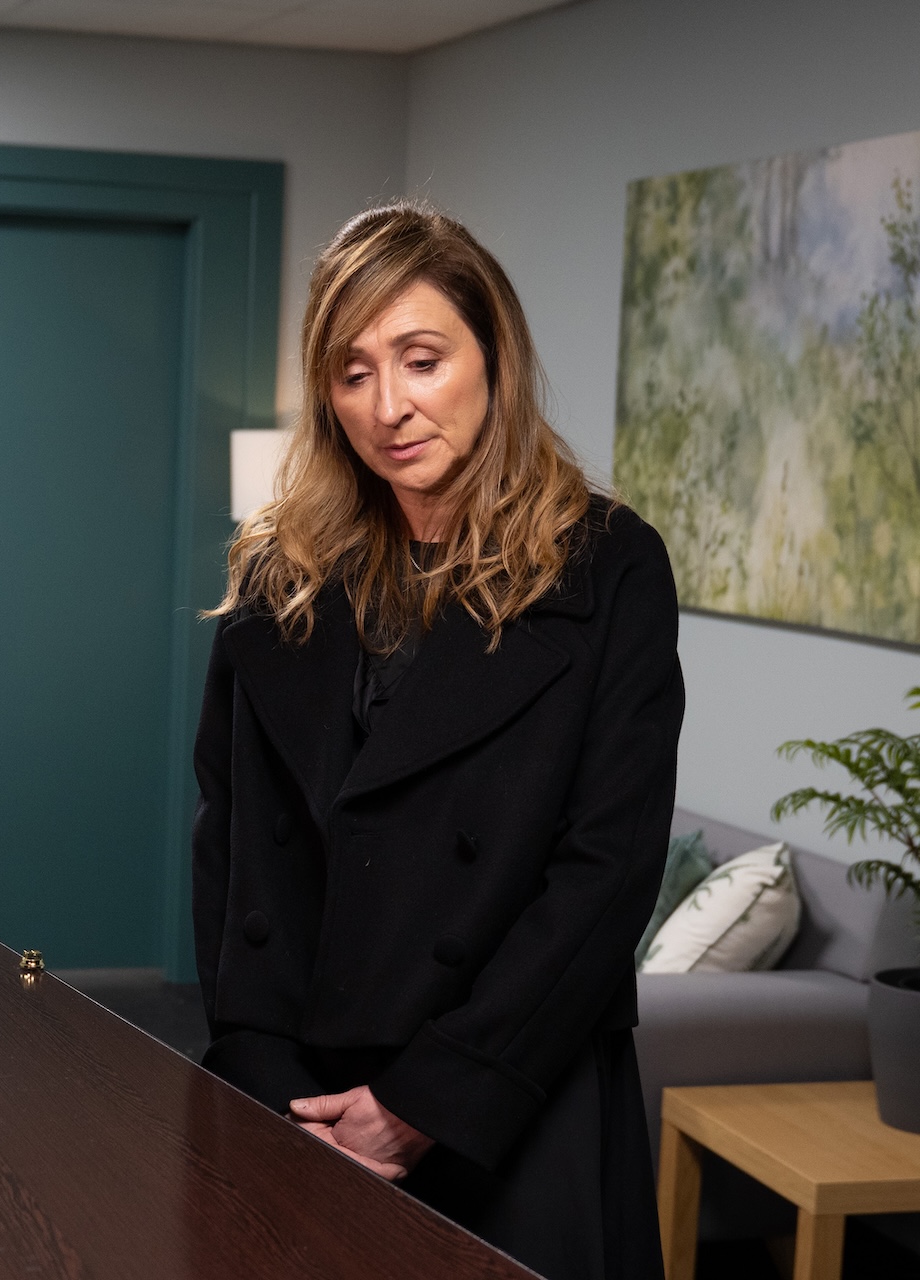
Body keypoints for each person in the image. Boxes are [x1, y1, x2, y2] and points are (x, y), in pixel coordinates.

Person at [192, 202, 682, 1280]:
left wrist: (424, 1101)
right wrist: (265, 1071)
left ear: (492, 356)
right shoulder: (282, 573)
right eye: (353, 371)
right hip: (304, 1089)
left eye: (422, 358)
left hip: (509, 1089)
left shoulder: (606, 568)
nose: (390, 405)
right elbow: (234, 847)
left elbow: (605, 869)